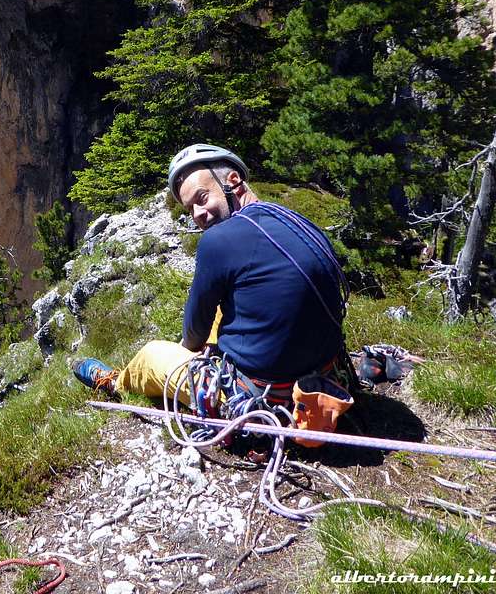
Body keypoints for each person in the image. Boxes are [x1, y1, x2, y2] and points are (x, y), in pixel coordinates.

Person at [72, 144, 356, 431]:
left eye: (202, 197)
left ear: (233, 181)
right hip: (328, 379)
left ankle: (116, 382)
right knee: (227, 306)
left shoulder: (218, 240)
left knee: (153, 353)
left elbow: (194, 332)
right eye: (190, 208)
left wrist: (189, 354)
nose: (198, 214)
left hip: (264, 399)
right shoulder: (299, 222)